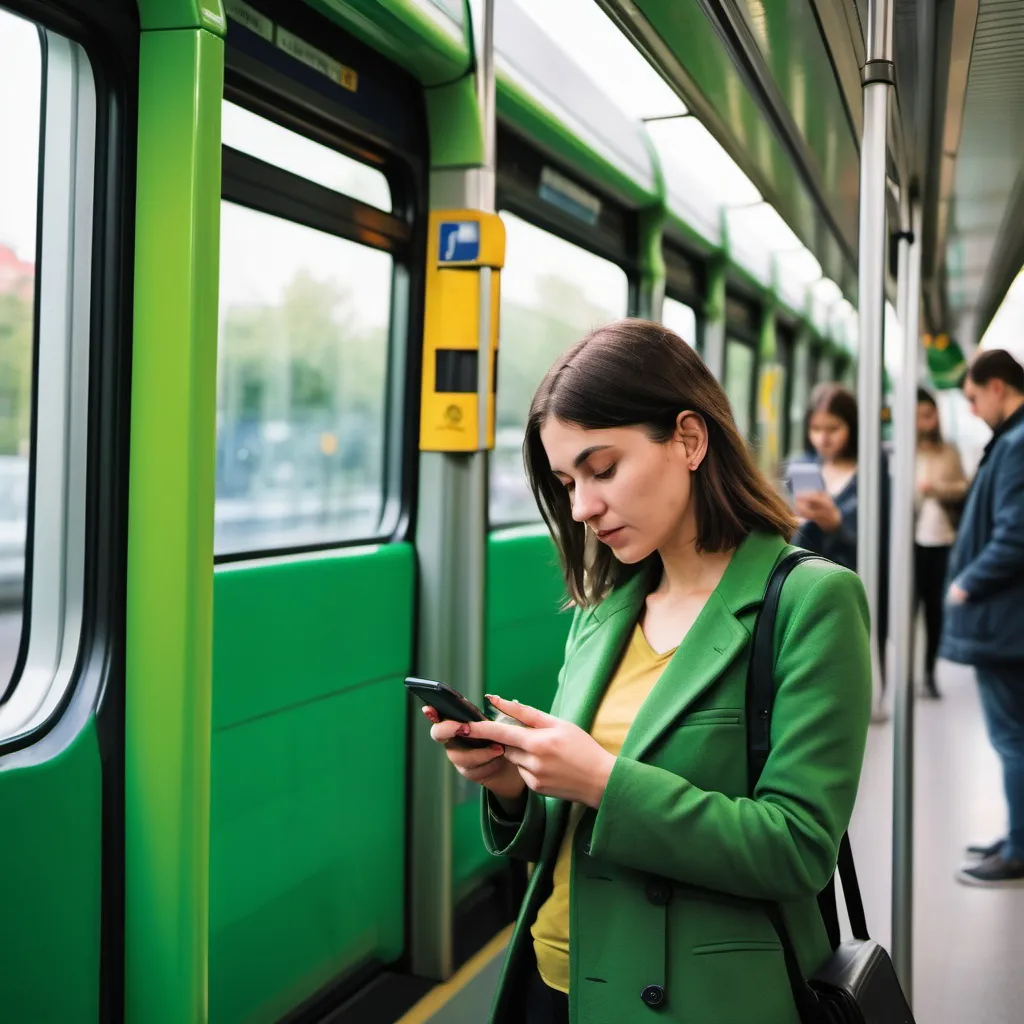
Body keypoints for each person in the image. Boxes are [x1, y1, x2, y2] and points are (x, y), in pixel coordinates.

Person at [421, 320, 872, 1023]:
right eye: (567, 482)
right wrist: (514, 784)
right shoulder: (603, 611)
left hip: (688, 999)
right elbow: (575, 831)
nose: (582, 508)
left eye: (603, 470)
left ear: (689, 439)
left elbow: (797, 848)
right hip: (553, 978)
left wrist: (601, 780)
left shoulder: (810, 603)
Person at [941, 349, 1024, 887]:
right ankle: (1017, 835)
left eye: (973, 397)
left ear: (998, 387)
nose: (972, 410)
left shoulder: (1016, 445)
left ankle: (1018, 851)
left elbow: (1015, 532)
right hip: (1010, 620)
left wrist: (966, 583)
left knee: (1011, 737)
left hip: (1005, 622)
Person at [786, 384, 890, 693]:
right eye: (816, 428)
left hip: (858, 578)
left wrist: (836, 525)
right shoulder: (803, 466)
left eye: (833, 428)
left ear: (852, 427)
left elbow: (879, 540)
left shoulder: (872, 469)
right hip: (809, 581)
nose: (824, 438)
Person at [913, 389, 968, 699]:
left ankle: (929, 671)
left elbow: (962, 487)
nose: (925, 422)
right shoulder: (904, 452)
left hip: (940, 537)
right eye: (919, 415)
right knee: (906, 606)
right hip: (909, 540)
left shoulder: (949, 451)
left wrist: (935, 488)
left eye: (929, 414)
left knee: (933, 607)